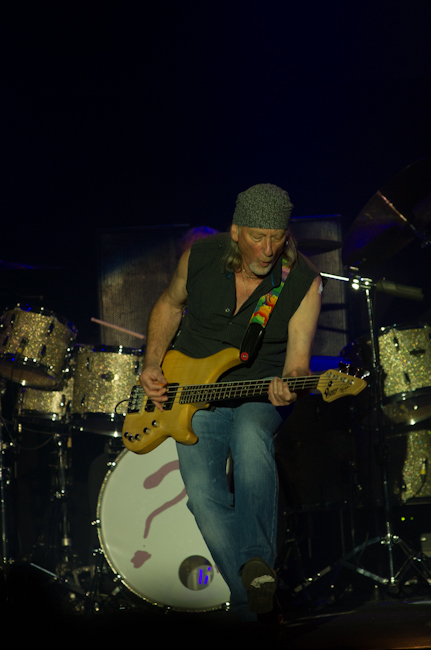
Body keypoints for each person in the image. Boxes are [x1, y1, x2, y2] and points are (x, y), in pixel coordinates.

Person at [139, 183, 322, 623]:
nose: (269, 249)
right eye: (258, 237)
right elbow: (168, 305)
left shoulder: (301, 281)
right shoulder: (199, 258)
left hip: (260, 392)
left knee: (251, 436)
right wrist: (152, 362)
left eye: (277, 237)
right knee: (203, 496)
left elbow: (297, 365)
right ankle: (254, 604)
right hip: (193, 393)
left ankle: (255, 561)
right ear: (236, 232)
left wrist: (291, 385)